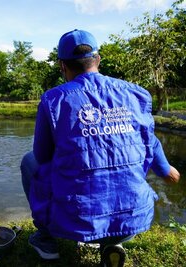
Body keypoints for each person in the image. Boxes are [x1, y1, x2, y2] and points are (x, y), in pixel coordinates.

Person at [21, 29, 180, 266]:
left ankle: (46, 239)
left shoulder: (53, 100)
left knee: (29, 161)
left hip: (77, 220)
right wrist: (164, 168)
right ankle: (112, 241)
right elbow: (150, 140)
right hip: (134, 217)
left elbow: (43, 156)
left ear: (62, 66)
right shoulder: (137, 94)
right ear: (98, 60)